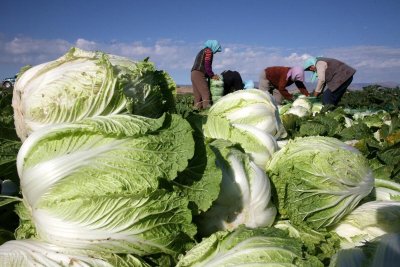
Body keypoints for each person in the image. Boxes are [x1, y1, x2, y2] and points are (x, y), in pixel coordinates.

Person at [191, 40, 222, 109]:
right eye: (216, 49)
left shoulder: (202, 51)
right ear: (213, 46)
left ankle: (196, 113)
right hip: (199, 73)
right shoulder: (209, 51)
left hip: (193, 73)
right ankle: (206, 113)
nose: (216, 52)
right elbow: (207, 65)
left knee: (198, 97)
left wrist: (209, 75)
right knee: (206, 94)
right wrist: (212, 75)